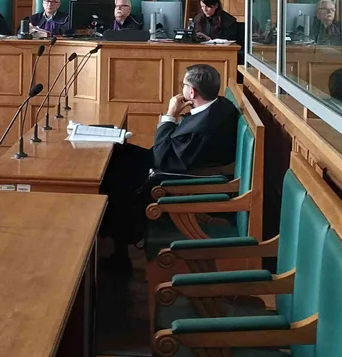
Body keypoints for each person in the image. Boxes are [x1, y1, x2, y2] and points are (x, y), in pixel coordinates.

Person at [97, 64, 239, 272]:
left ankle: (122, 248)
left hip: (170, 172)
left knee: (114, 174)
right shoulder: (220, 105)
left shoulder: (202, 129)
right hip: (174, 160)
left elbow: (161, 158)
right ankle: (111, 241)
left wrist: (170, 115)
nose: (182, 89)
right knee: (117, 154)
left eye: (183, 85)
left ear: (192, 92)